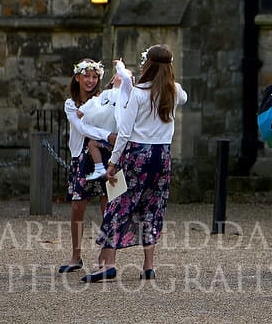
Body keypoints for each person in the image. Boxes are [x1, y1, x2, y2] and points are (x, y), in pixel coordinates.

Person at [83, 44, 188, 283]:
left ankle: (108, 263)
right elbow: (184, 97)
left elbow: (124, 133)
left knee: (119, 203)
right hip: (163, 155)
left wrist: (112, 162)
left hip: (138, 154)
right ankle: (148, 266)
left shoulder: (138, 93)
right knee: (153, 206)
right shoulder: (174, 91)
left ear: (148, 65)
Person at [59, 59, 116, 273]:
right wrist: (108, 135)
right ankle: (76, 255)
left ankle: (107, 255)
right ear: (77, 77)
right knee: (77, 205)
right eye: (87, 76)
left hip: (103, 153)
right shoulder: (70, 104)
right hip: (80, 156)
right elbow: (83, 128)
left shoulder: (104, 99)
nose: (91, 81)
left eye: (95, 77)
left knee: (107, 204)